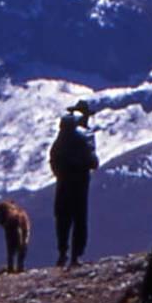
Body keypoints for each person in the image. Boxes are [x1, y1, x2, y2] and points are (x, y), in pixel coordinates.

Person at [49, 100, 98, 267]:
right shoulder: (87, 134)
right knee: (79, 219)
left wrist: (60, 174)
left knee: (63, 218)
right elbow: (93, 161)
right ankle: (76, 256)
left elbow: (53, 157)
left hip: (62, 182)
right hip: (80, 182)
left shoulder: (62, 135)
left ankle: (62, 252)